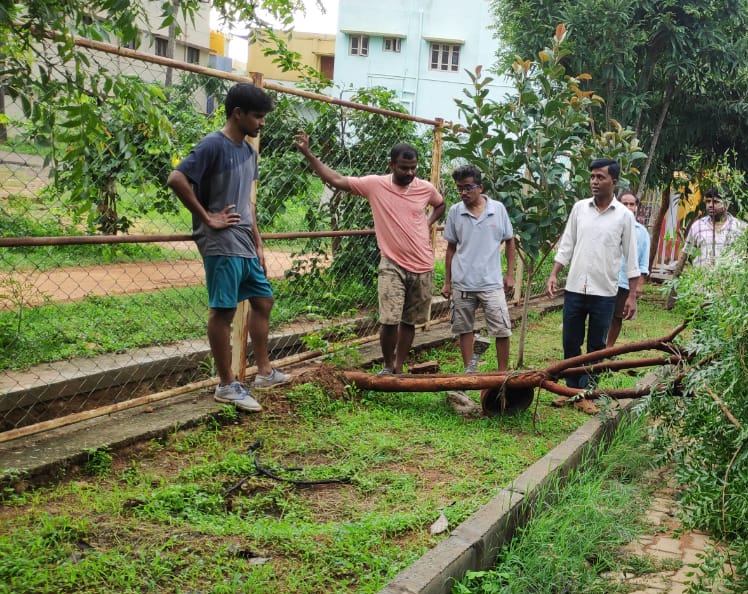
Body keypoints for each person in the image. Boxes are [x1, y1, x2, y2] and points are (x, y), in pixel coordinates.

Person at [166, 82, 290, 413]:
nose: (262, 123)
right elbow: (177, 179)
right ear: (237, 114)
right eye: (257, 116)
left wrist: (258, 243)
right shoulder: (213, 145)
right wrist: (208, 217)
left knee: (263, 300)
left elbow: (246, 203)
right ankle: (226, 384)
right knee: (223, 311)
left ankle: (263, 373)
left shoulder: (249, 152)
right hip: (221, 243)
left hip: (245, 242)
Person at [293, 131, 446, 374]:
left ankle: (399, 366)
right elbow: (337, 180)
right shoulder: (375, 185)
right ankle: (387, 366)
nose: (410, 173)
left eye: (413, 168)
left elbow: (440, 204)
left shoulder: (425, 188)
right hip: (392, 263)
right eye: (404, 168)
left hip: (423, 263)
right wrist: (309, 154)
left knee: (410, 322)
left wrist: (427, 223)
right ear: (392, 164)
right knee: (389, 319)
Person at [545, 159, 641, 414]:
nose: (594, 182)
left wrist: (632, 295)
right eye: (592, 177)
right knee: (570, 341)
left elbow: (631, 258)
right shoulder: (579, 209)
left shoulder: (624, 216)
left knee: (596, 346)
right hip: (576, 287)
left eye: (600, 177)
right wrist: (554, 274)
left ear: (614, 182)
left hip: (605, 292)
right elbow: (567, 244)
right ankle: (571, 391)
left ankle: (589, 392)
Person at [441, 164, 517, 373]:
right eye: (459, 188)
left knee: (501, 329)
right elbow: (450, 248)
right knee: (464, 329)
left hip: (491, 282)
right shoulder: (456, 212)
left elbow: (510, 241)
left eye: (467, 187)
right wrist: (447, 282)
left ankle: (502, 374)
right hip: (463, 282)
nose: (463, 193)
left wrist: (510, 275)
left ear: (480, 187)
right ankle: (469, 372)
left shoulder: (498, 209)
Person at [665, 185, 748, 309]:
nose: (710, 205)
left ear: (727, 204)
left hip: (730, 294)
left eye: (715, 202)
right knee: (699, 325)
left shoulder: (741, 228)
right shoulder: (697, 227)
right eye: (708, 201)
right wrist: (672, 295)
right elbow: (686, 256)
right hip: (701, 292)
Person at [607, 191, 650, 347]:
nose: (628, 207)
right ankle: (595, 348)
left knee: (617, 316)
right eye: (625, 203)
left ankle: (608, 349)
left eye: (632, 204)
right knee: (601, 314)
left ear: (636, 207)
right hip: (606, 278)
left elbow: (643, 261)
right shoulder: (609, 225)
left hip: (625, 281)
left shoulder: (642, 232)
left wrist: (639, 285)